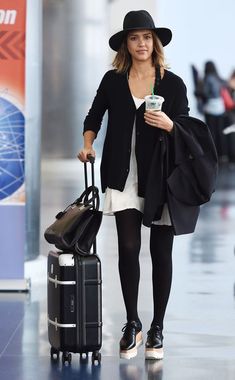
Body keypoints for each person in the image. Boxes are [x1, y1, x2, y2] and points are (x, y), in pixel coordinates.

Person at [78, 10, 217, 360]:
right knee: (127, 248)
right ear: (126, 44)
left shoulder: (172, 83)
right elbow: (94, 117)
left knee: (160, 252)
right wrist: (88, 143)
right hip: (122, 175)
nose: (141, 43)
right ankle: (132, 323)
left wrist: (170, 124)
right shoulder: (113, 80)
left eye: (146, 37)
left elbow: (186, 127)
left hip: (161, 176)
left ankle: (157, 327)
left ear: (155, 42)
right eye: (134, 37)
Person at [202, 61, 227, 160]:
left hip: (211, 108)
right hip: (220, 107)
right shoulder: (218, 77)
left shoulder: (208, 78)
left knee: (211, 132)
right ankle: (223, 154)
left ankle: (213, 154)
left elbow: (206, 92)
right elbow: (225, 85)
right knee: (220, 131)